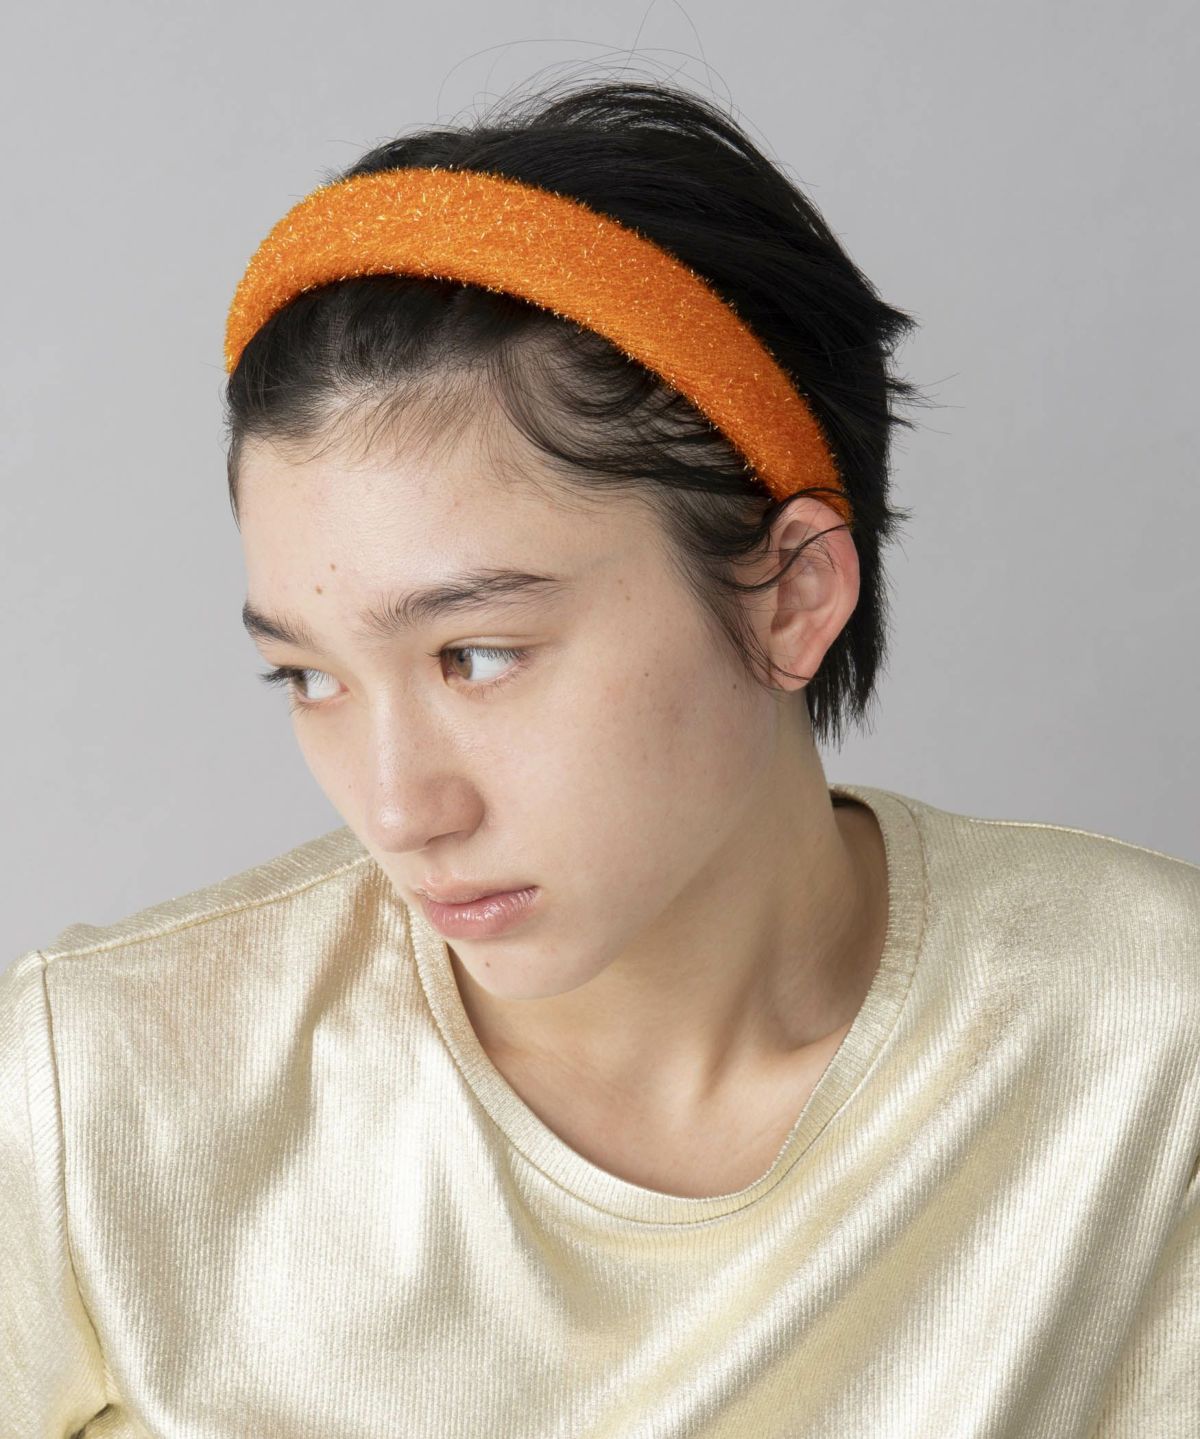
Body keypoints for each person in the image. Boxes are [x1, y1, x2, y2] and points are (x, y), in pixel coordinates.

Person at [2, 76, 1196, 1439]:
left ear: (792, 595)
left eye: (477, 655)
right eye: (310, 678)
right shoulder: (99, 1098)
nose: (396, 807)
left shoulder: (1146, 1047)